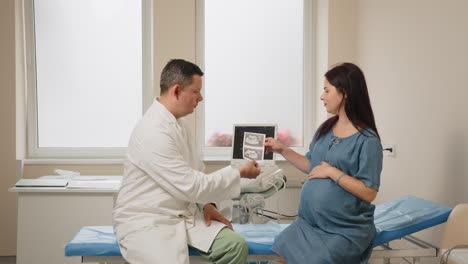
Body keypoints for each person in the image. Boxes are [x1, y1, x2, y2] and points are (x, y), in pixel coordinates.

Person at [113, 59, 261, 264]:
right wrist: (238, 172)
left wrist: (207, 205)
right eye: (195, 91)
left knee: (234, 246)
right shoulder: (153, 132)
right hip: (149, 220)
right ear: (176, 91)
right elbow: (192, 185)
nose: (201, 98)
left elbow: (196, 172)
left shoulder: (180, 126)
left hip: (184, 215)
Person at [265, 62, 383, 264]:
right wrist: (282, 149)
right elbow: (312, 165)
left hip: (344, 230)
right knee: (279, 249)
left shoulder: (367, 141)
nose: (322, 96)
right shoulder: (326, 128)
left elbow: (369, 192)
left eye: (327, 90)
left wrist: (333, 173)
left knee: (317, 260)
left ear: (344, 93)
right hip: (309, 224)